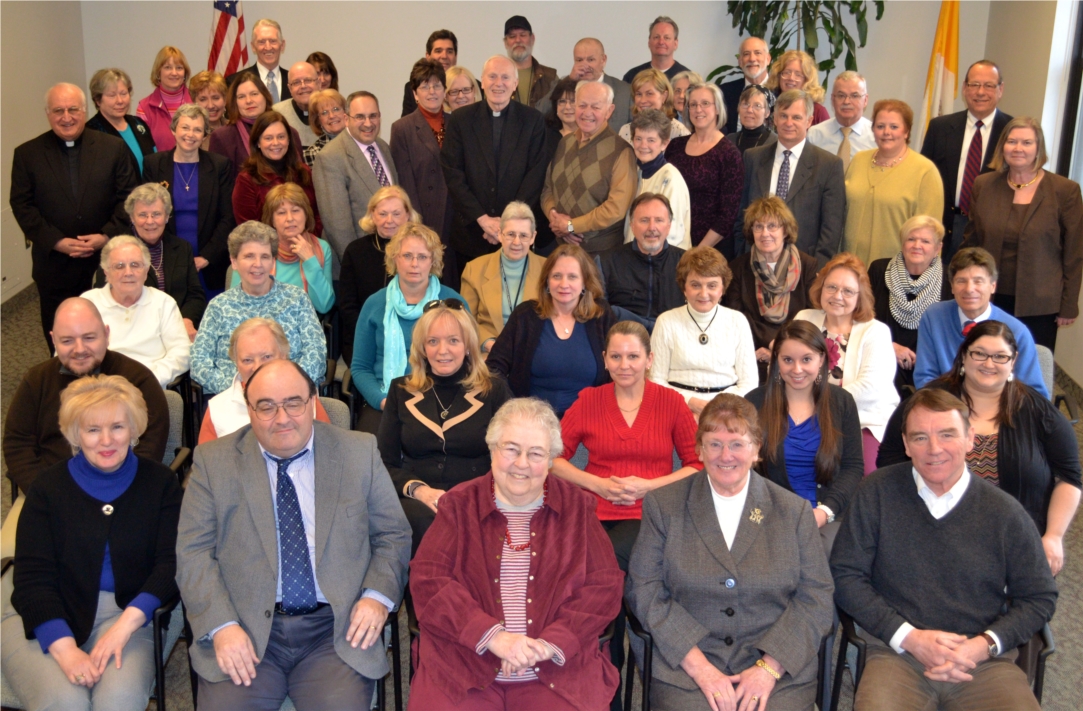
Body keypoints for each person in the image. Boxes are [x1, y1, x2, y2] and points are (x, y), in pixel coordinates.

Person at [176, 359, 412, 710]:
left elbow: (392, 534)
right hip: (246, 627)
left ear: (313, 399)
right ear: (248, 405)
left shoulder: (358, 451)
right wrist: (222, 625)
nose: (282, 418)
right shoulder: (214, 462)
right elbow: (193, 552)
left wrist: (377, 596)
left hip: (334, 630)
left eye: (293, 403)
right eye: (266, 406)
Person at [830, 388, 1058, 711]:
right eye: (920, 437)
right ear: (906, 445)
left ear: (970, 438)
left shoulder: (1005, 513)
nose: (934, 449)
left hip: (982, 663)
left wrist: (983, 645)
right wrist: (909, 637)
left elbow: (1040, 597)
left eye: (947, 434)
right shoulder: (876, 493)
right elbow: (845, 575)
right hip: (897, 655)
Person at [407, 397, 623, 711]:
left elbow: (604, 587)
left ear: (551, 460)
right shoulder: (459, 504)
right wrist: (493, 636)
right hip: (464, 666)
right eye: (511, 449)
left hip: (555, 672)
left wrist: (551, 643)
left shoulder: (578, 507)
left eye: (536, 453)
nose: (521, 463)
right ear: (492, 449)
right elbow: (429, 580)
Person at [625, 394, 835, 711]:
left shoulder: (793, 512)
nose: (726, 455)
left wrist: (769, 668)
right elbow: (644, 589)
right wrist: (700, 669)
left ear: (756, 450)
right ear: (699, 448)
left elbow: (816, 595)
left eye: (737, 443)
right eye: (714, 444)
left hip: (776, 668)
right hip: (687, 666)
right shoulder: (664, 506)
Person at [1, 375, 182, 711]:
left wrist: (125, 625)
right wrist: (64, 648)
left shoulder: (161, 484)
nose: (106, 440)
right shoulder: (47, 489)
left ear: (134, 429)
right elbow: (32, 578)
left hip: (128, 613)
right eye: (92, 429)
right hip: (44, 610)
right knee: (62, 702)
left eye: (117, 426)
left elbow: (170, 564)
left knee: (119, 701)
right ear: (75, 434)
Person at [877, 321, 1081, 575]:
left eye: (999, 356)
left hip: (1014, 539)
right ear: (964, 354)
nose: (988, 363)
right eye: (979, 353)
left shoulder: (1040, 413)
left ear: (1013, 360)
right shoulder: (926, 402)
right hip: (931, 529)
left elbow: (1070, 477)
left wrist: (1053, 535)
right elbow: (889, 460)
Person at [10, 83, 140, 347]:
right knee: (61, 333)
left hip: (105, 258)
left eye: (73, 109)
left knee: (111, 331)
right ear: (48, 113)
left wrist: (105, 236)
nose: (66, 117)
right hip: (55, 264)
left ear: (84, 110)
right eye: (58, 110)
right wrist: (56, 241)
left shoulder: (113, 148)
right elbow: (22, 205)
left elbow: (128, 198)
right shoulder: (27, 154)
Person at [379, 303, 512, 554]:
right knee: (421, 522)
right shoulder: (401, 391)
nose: (443, 351)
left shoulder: (494, 390)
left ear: (468, 346)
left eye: (453, 340)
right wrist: (419, 491)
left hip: (477, 498)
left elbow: (512, 457)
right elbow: (383, 463)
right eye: (433, 341)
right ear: (422, 348)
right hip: (418, 500)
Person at [2, 297, 168, 495]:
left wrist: (111, 492)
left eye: (89, 338)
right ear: (53, 339)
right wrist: (46, 493)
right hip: (52, 493)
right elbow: (18, 445)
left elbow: (150, 447)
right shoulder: (36, 380)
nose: (79, 349)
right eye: (67, 341)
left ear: (106, 335)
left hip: (122, 492)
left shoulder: (138, 379)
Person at [962, 117, 1083, 350]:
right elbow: (971, 244)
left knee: (1029, 369)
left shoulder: (1065, 191)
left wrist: (1068, 305)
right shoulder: (984, 185)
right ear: (1002, 147)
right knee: (986, 360)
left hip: (1040, 304)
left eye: (1027, 142)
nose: (1018, 148)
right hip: (989, 298)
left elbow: (1074, 254)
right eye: (1012, 141)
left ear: (1039, 148)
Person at [745, 320, 865, 549]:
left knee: (822, 559)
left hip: (828, 516)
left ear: (821, 360)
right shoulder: (754, 402)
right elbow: (744, 469)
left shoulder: (842, 402)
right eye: (788, 360)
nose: (797, 369)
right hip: (769, 514)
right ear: (776, 361)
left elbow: (853, 467)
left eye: (806, 359)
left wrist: (824, 512)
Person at [351, 223, 465, 433]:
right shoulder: (374, 304)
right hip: (385, 400)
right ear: (395, 258)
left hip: (441, 400)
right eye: (407, 256)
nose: (415, 264)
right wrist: (383, 401)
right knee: (368, 453)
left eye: (422, 257)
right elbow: (360, 368)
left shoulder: (453, 303)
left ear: (433, 261)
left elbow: (467, 362)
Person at [440, 54, 549, 273]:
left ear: (515, 84)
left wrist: (507, 224)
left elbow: (535, 175)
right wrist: (482, 219)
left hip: (515, 235)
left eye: (505, 77)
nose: (498, 83)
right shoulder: (460, 120)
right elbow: (453, 173)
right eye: (492, 76)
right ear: (482, 81)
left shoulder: (533, 120)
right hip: (471, 233)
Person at [191, 221, 326, 394]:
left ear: (273, 261)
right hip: (233, 397)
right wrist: (241, 390)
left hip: (289, 394)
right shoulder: (218, 306)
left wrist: (283, 386)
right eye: (249, 256)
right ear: (234, 261)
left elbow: (316, 353)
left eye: (265, 256)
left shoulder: (297, 299)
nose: (258, 264)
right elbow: (199, 362)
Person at [793, 252, 899, 473]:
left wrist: (814, 405)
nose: (837, 296)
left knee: (860, 477)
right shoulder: (804, 318)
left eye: (848, 291)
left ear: (860, 296)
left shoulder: (876, 331)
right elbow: (788, 369)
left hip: (861, 421)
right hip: (804, 417)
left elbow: (870, 388)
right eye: (831, 287)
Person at [487, 244, 616, 415]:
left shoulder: (601, 315)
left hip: (589, 422)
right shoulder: (525, 315)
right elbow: (494, 368)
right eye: (557, 276)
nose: (564, 284)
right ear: (546, 280)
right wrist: (512, 407)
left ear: (585, 282)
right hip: (531, 422)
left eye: (572, 277)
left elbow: (619, 366)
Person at [734, 89, 846, 266]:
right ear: (775, 119)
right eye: (784, 116)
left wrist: (818, 269)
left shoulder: (829, 165)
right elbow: (742, 212)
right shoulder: (753, 158)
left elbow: (831, 228)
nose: (788, 122)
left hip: (804, 264)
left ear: (809, 121)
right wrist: (742, 254)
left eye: (796, 117)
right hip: (756, 261)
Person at [915, 247, 1047, 396]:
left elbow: (1036, 395)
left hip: (997, 412)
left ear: (993, 286)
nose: (969, 289)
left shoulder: (1017, 332)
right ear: (951, 286)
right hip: (945, 409)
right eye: (961, 281)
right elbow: (925, 377)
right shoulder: (934, 317)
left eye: (978, 281)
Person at [921, 60, 1013, 263]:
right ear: (964, 88)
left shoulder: (1012, 131)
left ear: (1000, 90)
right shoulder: (940, 128)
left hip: (989, 232)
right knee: (941, 291)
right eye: (974, 85)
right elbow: (924, 179)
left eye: (989, 85)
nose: (981, 92)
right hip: (945, 227)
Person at [142, 104, 236, 295]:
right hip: (166, 260)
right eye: (185, 127)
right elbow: (146, 215)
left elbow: (228, 218)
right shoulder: (153, 164)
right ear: (173, 129)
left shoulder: (220, 166)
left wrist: (206, 257)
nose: (190, 134)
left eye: (197, 130)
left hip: (209, 263)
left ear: (204, 135)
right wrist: (171, 257)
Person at [93, 182, 207, 340]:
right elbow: (102, 297)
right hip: (130, 333)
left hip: (176, 329)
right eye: (142, 215)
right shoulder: (115, 250)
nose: (150, 221)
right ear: (132, 217)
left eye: (156, 214)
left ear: (167, 217)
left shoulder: (182, 248)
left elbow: (195, 294)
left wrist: (185, 321)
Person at [724, 196, 820, 383]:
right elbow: (737, 317)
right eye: (758, 227)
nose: (764, 233)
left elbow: (810, 315)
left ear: (785, 230)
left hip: (795, 353)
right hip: (753, 351)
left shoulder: (808, 266)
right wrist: (769, 345)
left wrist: (781, 347)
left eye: (772, 226)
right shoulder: (737, 268)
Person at [651, 246, 758, 411]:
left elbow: (749, 383)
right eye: (695, 285)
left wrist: (719, 408)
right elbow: (655, 380)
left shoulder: (737, 321)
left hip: (727, 410)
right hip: (677, 407)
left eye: (712, 285)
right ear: (684, 288)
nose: (704, 293)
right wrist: (689, 402)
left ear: (722, 288)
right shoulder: (666, 322)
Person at [198, 317, 332, 443]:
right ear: (236, 363)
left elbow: (328, 451)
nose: (257, 367)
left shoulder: (306, 399)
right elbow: (208, 464)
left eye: (266, 357)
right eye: (247, 360)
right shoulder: (217, 409)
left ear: (284, 355)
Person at [844, 99, 945, 264]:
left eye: (894, 127)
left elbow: (931, 234)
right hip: (850, 266)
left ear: (906, 132)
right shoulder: (858, 160)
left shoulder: (925, 171)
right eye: (880, 126)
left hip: (896, 271)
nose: (886, 132)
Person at [542, 81, 636, 255]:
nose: (587, 113)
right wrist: (555, 218)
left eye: (596, 107)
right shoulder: (565, 143)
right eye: (582, 105)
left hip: (602, 255)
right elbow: (548, 189)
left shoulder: (622, 151)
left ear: (610, 110)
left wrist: (571, 226)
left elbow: (616, 208)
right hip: (562, 250)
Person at [82, 236, 190, 388]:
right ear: (106, 272)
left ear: (146, 270)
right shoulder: (87, 304)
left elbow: (182, 353)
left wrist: (148, 378)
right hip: (100, 388)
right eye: (119, 266)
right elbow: (70, 353)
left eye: (135, 265)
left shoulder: (163, 303)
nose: (128, 272)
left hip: (150, 385)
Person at [313, 91, 399, 268]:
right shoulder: (330, 157)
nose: (368, 123)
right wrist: (358, 266)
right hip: (359, 262)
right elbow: (337, 226)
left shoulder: (382, 146)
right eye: (360, 117)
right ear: (346, 119)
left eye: (373, 116)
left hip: (391, 256)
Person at [868, 215, 952, 391]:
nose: (916, 246)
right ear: (902, 242)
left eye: (925, 241)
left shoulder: (951, 279)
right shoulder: (878, 270)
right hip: (880, 362)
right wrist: (888, 346)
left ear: (938, 248)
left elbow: (950, 334)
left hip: (930, 371)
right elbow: (862, 320)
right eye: (911, 239)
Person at [339, 187, 422, 364]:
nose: (389, 221)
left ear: (408, 215)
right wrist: (373, 335)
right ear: (372, 215)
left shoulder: (422, 250)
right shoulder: (355, 251)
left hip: (414, 338)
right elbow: (347, 306)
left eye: (396, 213)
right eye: (382, 213)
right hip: (365, 337)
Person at [228, 183, 333, 314]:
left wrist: (310, 261)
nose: (290, 219)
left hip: (301, 326)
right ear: (272, 220)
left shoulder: (321, 248)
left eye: (296, 210)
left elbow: (324, 306)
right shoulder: (255, 249)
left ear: (306, 214)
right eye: (281, 213)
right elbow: (235, 304)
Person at [667, 82, 745, 254]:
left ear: (717, 108)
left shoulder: (729, 154)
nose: (698, 109)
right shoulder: (675, 146)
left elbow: (727, 215)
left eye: (705, 103)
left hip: (710, 250)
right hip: (673, 242)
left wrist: (698, 251)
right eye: (693, 104)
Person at [461, 201, 546, 354]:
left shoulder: (548, 270)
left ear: (533, 237)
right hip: (489, 355)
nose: (516, 242)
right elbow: (465, 321)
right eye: (511, 234)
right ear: (500, 234)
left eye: (524, 235)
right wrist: (488, 343)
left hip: (535, 354)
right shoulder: (474, 269)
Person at [391, 59, 454, 247]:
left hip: (456, 219)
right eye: (425, 86)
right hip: (424, 220)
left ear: (445, 91)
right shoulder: (402, 128)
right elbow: (405, 182)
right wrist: (417, 225)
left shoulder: (457, 123)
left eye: (437, 85)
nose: (432, 92)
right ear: (415, 94)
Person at [600, 193, 686, 329]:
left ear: (669, 226)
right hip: (624, 342)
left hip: (673, 341)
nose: (652, 228)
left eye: (659, 220)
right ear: (632, 225)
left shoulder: (687, 263)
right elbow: (598, 314)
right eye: (644, 220)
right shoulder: (606, 262)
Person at [232, 110, 321, 234]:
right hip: (268, 250)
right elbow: (248, 229)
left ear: (289, 140)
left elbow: (317, 215)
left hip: (308, 246)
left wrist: (306, 243)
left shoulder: (304, 172)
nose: (275, 143)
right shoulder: (247, 180)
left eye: (281, 137)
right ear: (258, 142)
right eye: (268, 138)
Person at [208, 72, 301, 185]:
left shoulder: (290, 132)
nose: (248, 101)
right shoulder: (222, 137)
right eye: (241, 96)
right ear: (234, 102)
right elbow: (217, 185)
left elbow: (302, 175)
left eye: (254, 94)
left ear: (265, 96)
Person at [622, 110, 691, 250]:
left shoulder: (670, 179)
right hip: (636, 256)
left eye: (651, 140)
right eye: (638, 138)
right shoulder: (635, 172)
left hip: (662, 262)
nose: (643, 145)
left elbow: (672, 235)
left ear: (664, 144)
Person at [85, 68, 156, 174]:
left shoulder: (139, 123)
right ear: (98, 100)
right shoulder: (91, 132)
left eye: (123, 93)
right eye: (112, 95)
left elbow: (154, 160)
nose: (120, 101)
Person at [807, 71, 876, 171]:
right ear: (832, 99)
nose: (847, 102)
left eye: (854, 96)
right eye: (841, 96)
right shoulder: (815, 134)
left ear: (865, 100)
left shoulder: (876, 136)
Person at [136, 46, 193, 151]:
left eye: (179, 68)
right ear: (158, 72)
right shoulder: (145, 107)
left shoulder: (196, 101)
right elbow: (144, 148)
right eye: (168, 67)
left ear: (185, 73)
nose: (174, 73)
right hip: (159, 166)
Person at [568, 38, 633, 129]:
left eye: (590, 60)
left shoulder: (625, 91)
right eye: (579, 60)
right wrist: (569, 81)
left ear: (603, 60)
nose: (585, 66)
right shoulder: (565, 87)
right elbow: (542, 111)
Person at [225, 18, 291, 103]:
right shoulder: (234, 81)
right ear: (253, 47)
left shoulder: (294, 81)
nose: (268, 47)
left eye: (273, 41)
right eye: (261, 42)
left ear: (282, 45)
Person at [720, 36, 774, 135]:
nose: (752, 59)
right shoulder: (725, 92)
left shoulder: (780, 92)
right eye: (746, 54)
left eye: (757, 53)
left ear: (768, 59)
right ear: (740, 61)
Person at [618, 68, 690, 143]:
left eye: (649, 94)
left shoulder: (679, 133)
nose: (642, 100)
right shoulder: (625, 131)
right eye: (639, 94)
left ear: (664, 96)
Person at [502, 15, 557, 108]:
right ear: (506, 43)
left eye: (523, 35)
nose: (518, 40)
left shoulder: (551, 78)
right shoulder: (497, 78)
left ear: (532, 39)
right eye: (512, 36)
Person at [400, 30, 457, 117]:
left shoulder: (473, 86)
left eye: (449, 51)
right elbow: (407, 126)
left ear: (455, 56)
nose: (444, 56)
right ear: (428, 56)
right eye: (438, 51)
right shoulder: (412, 87)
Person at [766, 50, 830, 125]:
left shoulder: (818, 112)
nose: (791, 78)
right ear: (778, 75)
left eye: (798, 74)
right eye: (787, 72)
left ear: (807, 79)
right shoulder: (767, 105)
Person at [622, 16, 690, 84]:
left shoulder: (688, 79)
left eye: (667, 38)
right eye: (656, 37)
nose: (661, 42)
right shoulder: (632, 76)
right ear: (649, 42)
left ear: (675, 43)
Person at [272, 61, 319, 148]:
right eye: (296, 82)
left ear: (318, 83)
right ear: (290, 88)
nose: (303, 86)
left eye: (308, 80)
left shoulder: (330, 111)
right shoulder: (277, 112)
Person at [725, 85, 776, 155]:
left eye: (757, 106)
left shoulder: (775, 142)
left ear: (767, 113)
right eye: (745, 104)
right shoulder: (728, 140)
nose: (749, 110)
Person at [302, 88, 347, 167]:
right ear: (318, 120)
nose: (331, 116)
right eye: (324, 113)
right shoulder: (313, 153)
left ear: (346, 112)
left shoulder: (361, 141)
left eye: (336, 109)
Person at [189, 71, 229, 149]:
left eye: (215, 98)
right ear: (194, 102)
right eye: (203, 99)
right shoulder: (189, 134)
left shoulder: (236, 129)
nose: (210, 106)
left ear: (225, 100)